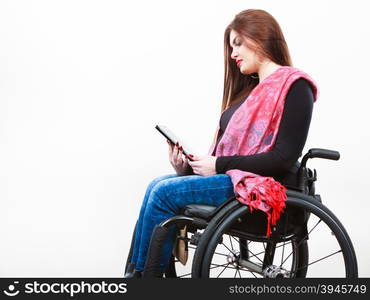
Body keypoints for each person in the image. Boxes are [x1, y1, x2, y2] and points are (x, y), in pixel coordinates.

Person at [123, 8, 317, 278]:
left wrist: (217, 164)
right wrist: (188, 168)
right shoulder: (249, 93)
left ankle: (145, 280)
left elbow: (283, 157)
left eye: (237, 44)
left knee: (164, 193)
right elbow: (227, 157)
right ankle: (135, 274)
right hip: (234, 179)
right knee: (157, 185)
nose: (233, 54)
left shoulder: (295, 86)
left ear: (259, 38)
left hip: (263, 188)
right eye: (230, 47)